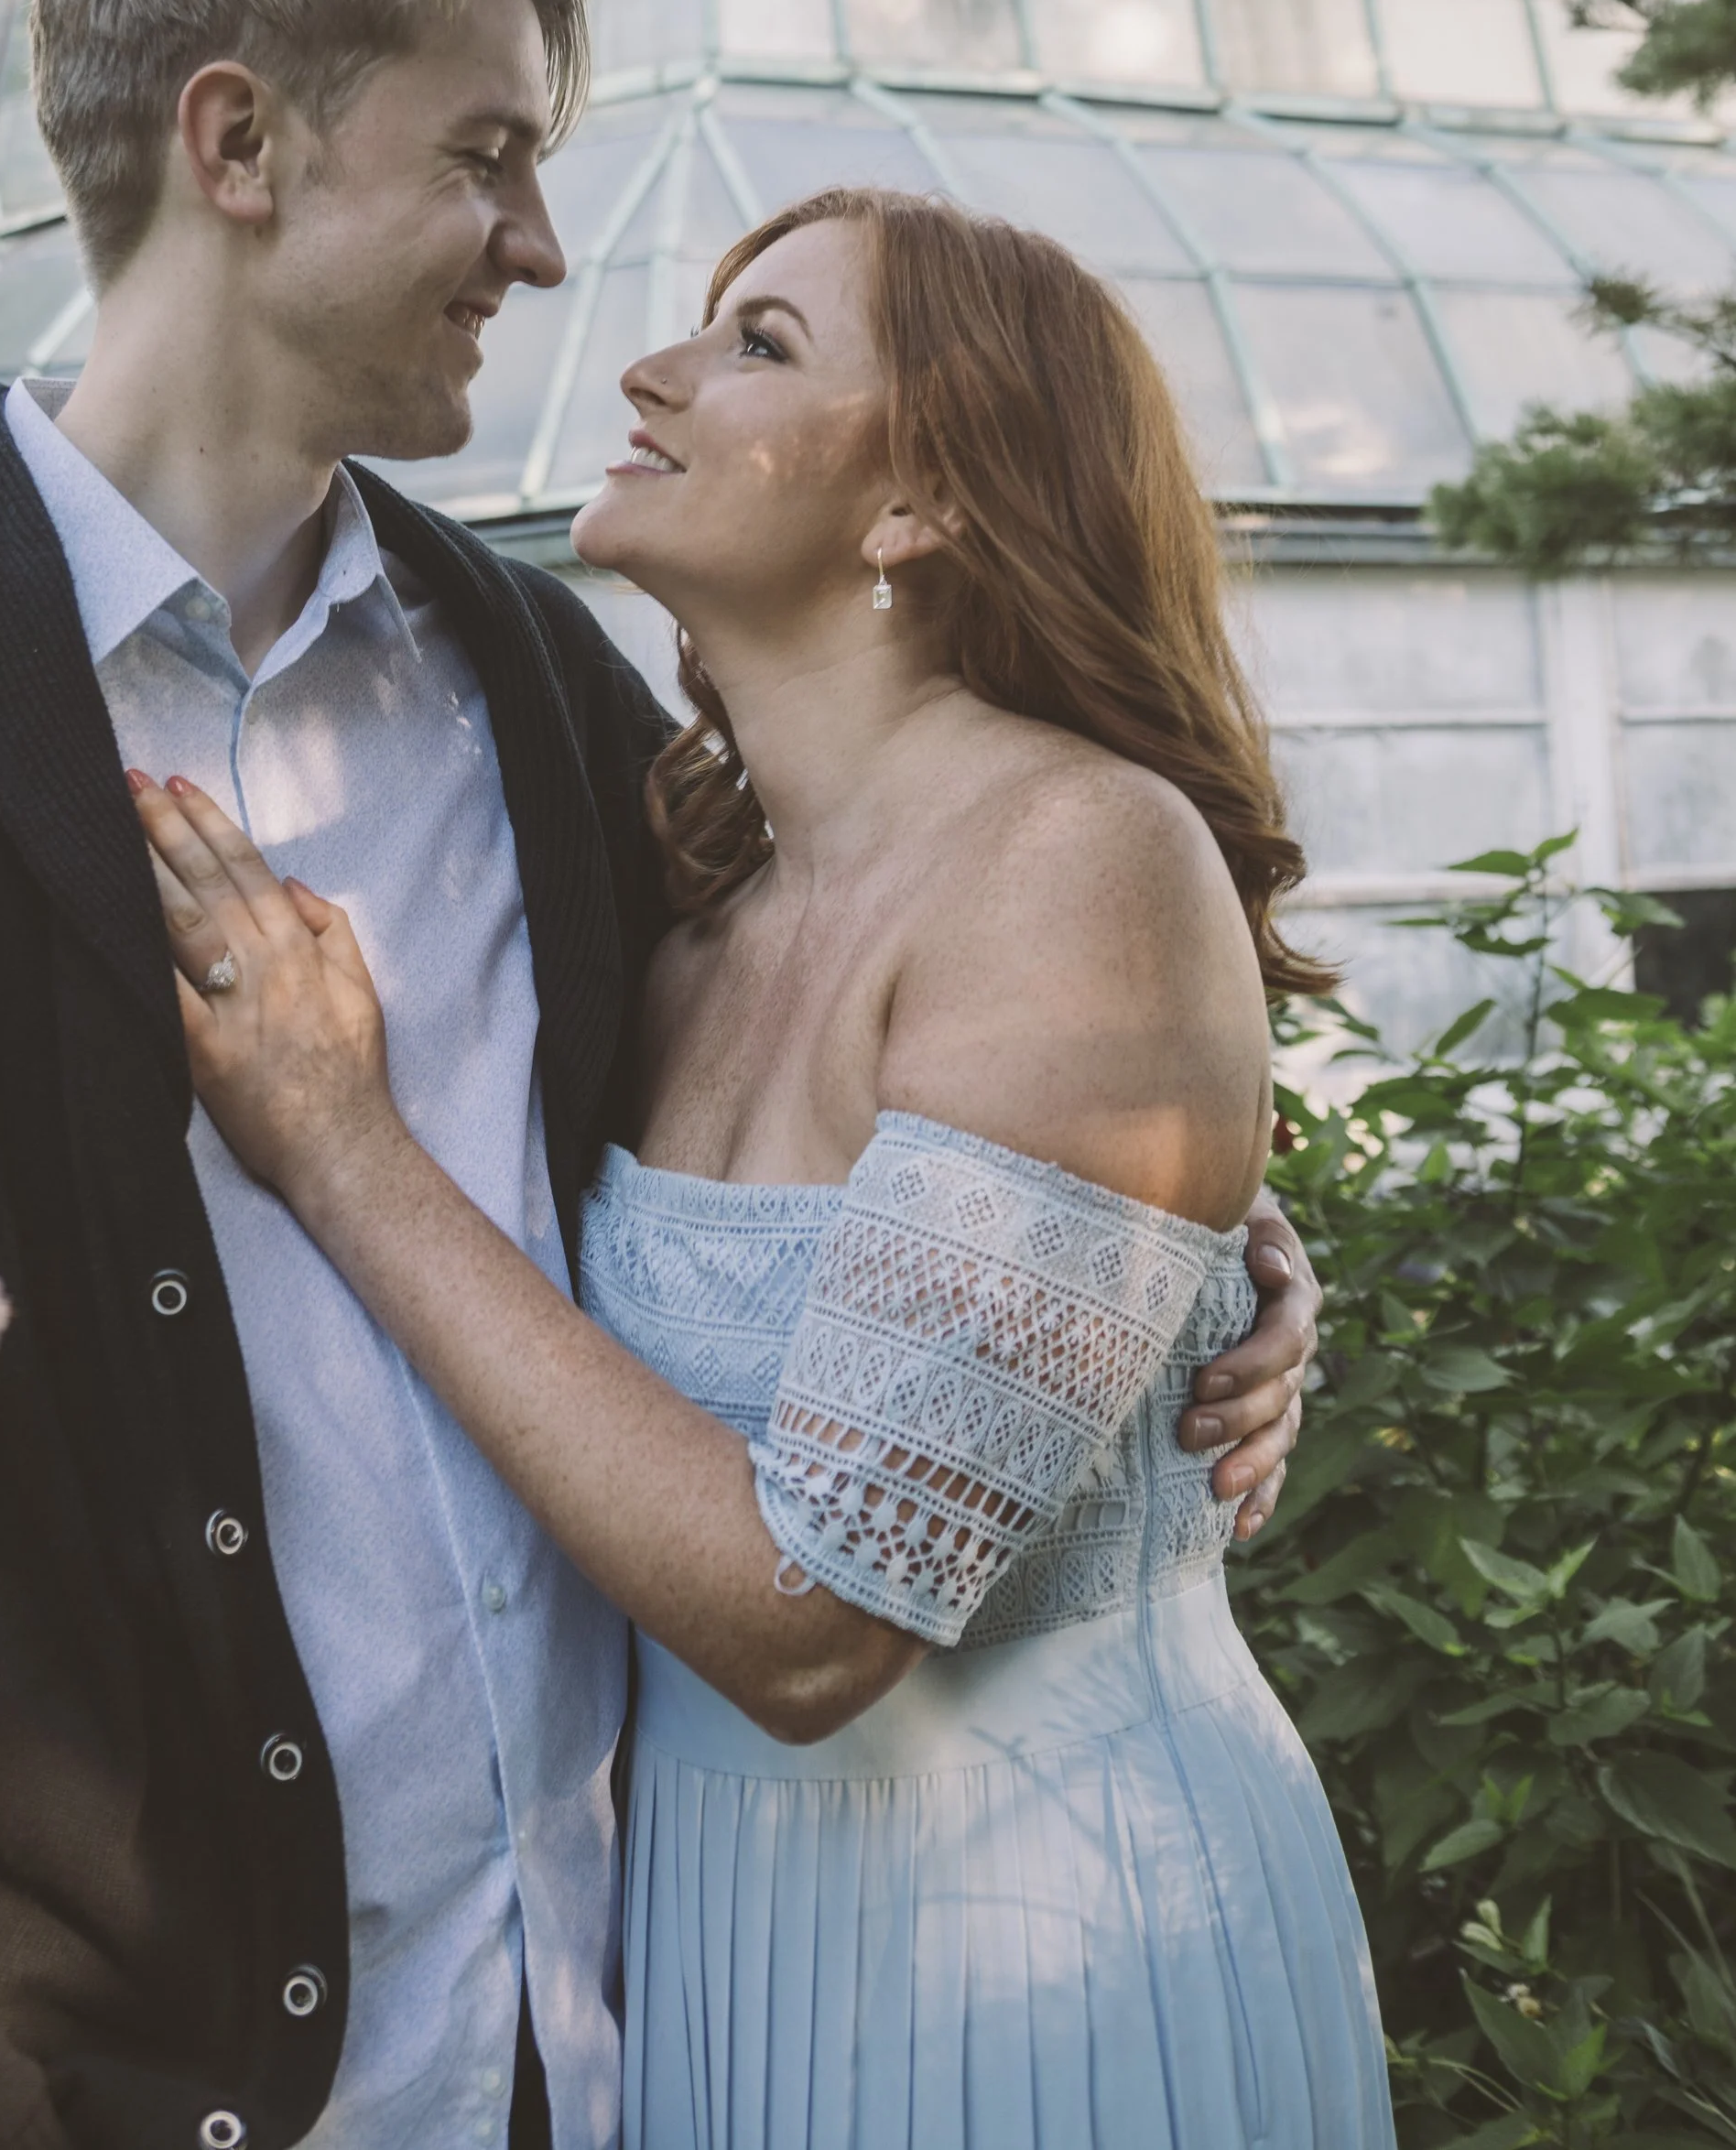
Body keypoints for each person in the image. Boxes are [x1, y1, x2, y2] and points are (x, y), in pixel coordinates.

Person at [0, 0, 1318, 2150]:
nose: (540, 251)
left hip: (623, 2059)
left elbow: (881, 1116)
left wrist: (1189, 1263)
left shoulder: (536, 683)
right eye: (486, 159)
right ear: (236, 142)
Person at [130, 184, 1393, 2148]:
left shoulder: (1078, 854)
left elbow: (817, 1620)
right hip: (707, 1960)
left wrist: (338, 1143)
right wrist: (1194, 1248)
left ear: (920, 502)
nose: (648, 370)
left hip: (1050, 1967)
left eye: (758, 343)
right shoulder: (692, 907)